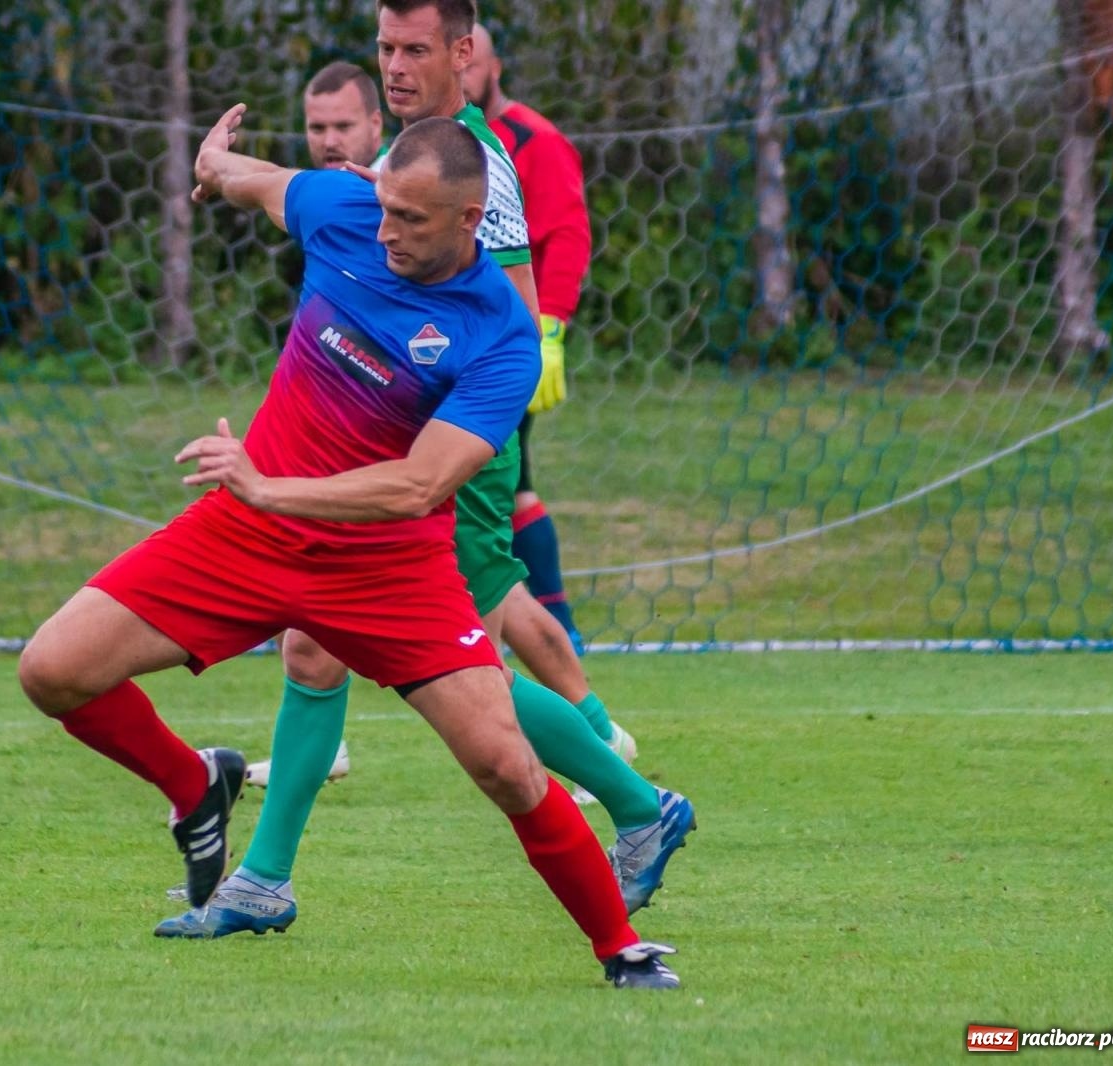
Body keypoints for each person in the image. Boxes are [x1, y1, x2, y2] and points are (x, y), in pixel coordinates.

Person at [17, 104, 680, 989]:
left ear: (468, 222)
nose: (388, 229)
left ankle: (621, 949)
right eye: (384, 207)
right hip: (244, 537)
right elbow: (260, 184)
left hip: (388, 568)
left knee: (506, 765)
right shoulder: (346, 208)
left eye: (411, 219)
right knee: (51, 670)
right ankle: (196, 787)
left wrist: (266, 485)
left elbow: (419, 485)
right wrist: (216, 164)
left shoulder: (500, 337)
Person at [173, 0, 693, 938]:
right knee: (322, 644)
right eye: (385, 47)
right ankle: (264, 877)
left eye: (417, 49)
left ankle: (635, 803)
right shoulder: (423, 148)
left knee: (457, 674)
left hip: (450, 454)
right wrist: (222, 166)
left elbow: (507, 315)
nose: (396, 66)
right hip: (407, 442)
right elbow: (304, 194)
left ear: (463, 53)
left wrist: (467, 444)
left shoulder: (472, 164)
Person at [463, 22, 592, 661]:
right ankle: (553, 623)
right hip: (461, 340)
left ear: (494, 67)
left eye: (471, 63)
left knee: (503, 483)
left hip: (514, 336)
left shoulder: (530, 140)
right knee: (512, 484)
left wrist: (550, 328)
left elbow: (567, 234)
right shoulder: (439, 140)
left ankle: (547, 627)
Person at [303, 62, 384, 171]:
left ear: (375, 124)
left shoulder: (403, 184)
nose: (329, 143)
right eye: (317, 128)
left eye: (343, 127)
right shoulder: (306, 185)